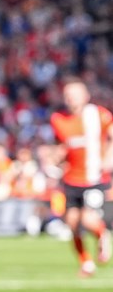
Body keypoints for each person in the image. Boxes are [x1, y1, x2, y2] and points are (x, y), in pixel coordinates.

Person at [48, 79, 112, 277]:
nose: (71, 99)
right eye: (67, 95)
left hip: (94, 178)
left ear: (86, 96)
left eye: (75, 95)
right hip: (71, 179)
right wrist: (56, 158)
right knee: (73, 224)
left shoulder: (99, 115)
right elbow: (61, 146)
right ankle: (86, 263)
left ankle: (102, 234)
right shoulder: (58, 119)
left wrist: (109, 158)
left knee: (88, 219)